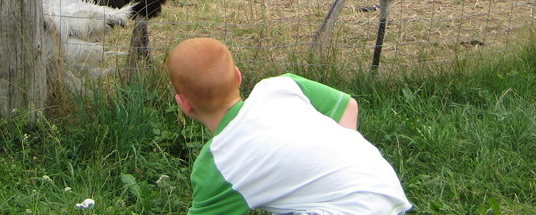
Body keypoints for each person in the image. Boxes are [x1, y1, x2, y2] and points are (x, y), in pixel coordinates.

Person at [165, 37, 412, 214]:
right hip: (386, 189)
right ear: (239, 77)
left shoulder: (219, 161)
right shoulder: (282, 86)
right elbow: (349, 106)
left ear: (183, 104)